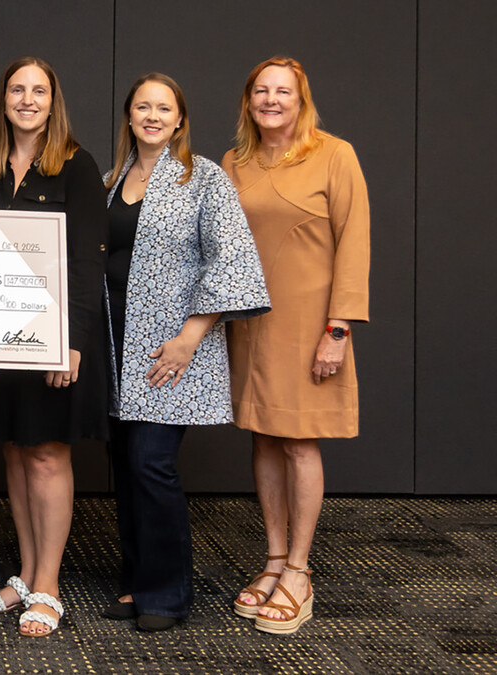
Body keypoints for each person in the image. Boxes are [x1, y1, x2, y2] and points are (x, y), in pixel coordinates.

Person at [102, 73, 270, 632]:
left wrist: (188, 338)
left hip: (171, 350)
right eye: (142, 106)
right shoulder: (110, 182)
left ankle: (168, 594)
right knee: (125, 467)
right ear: (128, 116)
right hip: (116, 347)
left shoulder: (204, 180)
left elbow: (234, 262)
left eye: (164, 108)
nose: (152, 116)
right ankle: (135, 581)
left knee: (152, 463)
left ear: (179, 120)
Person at [223, 56, 370, 635]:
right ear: (248, 101)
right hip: (252, 323)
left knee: (300, 441)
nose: (271, 100)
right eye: (261, 91)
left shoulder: (335, 154)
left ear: (301, 99)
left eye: (283, 91)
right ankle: (274, 560)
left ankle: (301, 573)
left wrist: (338, 329)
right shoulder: (235, 161)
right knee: (264, 436)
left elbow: (354, 241)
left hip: (311, 324)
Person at [0, 57, 108, 638]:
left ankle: (48, 585)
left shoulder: (77, 166)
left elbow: (86, 262)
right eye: (17, 89)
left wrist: (69, 344)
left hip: (55, 340)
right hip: (2, 341)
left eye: (39, 90)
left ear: (54, 101)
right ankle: (24, 574)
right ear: (3, 100)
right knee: (17, 452)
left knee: (48, 454)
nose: (27, 99)